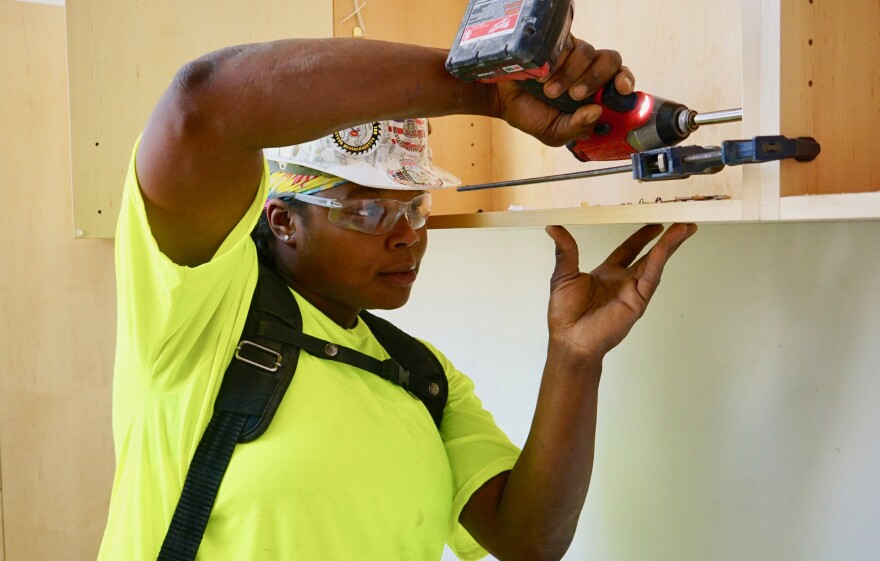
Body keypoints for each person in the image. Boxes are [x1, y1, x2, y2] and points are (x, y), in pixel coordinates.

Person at [97, 33, 697, 561]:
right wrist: (486, 91)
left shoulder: (418, 377)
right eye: (369, 211)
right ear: (283, 222)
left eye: (414, 206)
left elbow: (528, 540)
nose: (408, 233)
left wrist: (575, 358)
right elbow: (204, 103)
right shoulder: (199, 320)